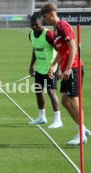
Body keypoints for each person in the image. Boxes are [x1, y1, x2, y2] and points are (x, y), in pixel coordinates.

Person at [40, 3, 91, 145]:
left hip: (73, 68)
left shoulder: (62, 26)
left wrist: (68, 68)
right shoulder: (56, 29)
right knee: (64, 100)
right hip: (66, 67)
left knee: (73, 101)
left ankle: (81, 134)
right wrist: (54, 65)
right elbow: (62, 51)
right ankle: (83, 129)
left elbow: (73, 47)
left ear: (51, 14)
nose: (44, 20)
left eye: (44, 17)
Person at [28, 13, 63, 128]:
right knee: (38, 92)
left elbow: (60, 51)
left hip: (51, 69)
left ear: (42, 22)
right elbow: (35, 49)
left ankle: (58, 120)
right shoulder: (31, 35)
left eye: (36, 25)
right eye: (32, 25)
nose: (34, 27)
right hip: (40, 69)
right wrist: (31, 66)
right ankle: (42, 117)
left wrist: (59, 69)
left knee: (51, 92)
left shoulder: (48, 34)